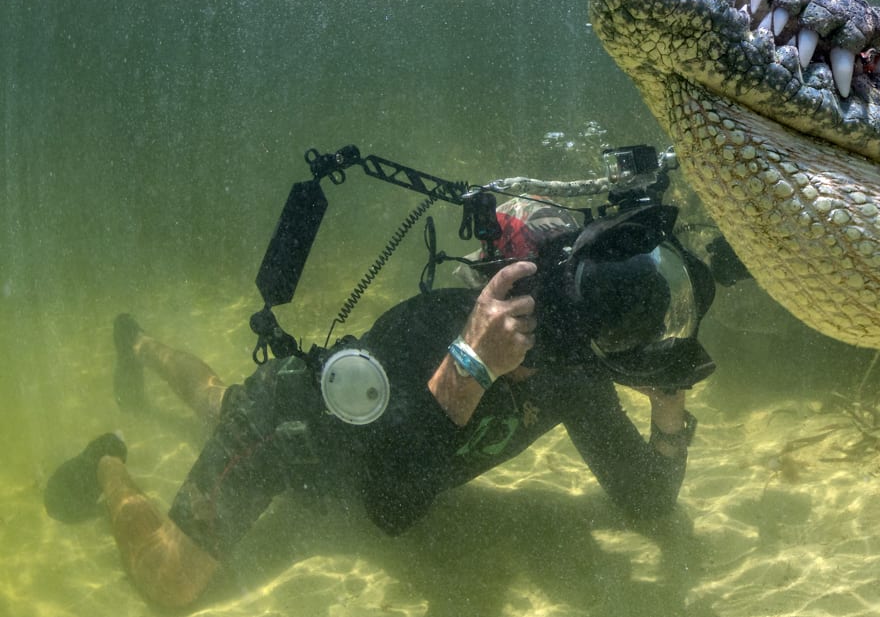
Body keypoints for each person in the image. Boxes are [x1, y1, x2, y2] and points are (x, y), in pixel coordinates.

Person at [44, 200, 726, 609]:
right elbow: (390, 507)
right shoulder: (436, 328)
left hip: (350, 456)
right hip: (290, 433)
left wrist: (667, 409)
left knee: (215, 397)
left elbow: (647, 504)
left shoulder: (571, 369)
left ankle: (138, 346)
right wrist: (472, 365)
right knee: (174, 580)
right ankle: (107, 455)